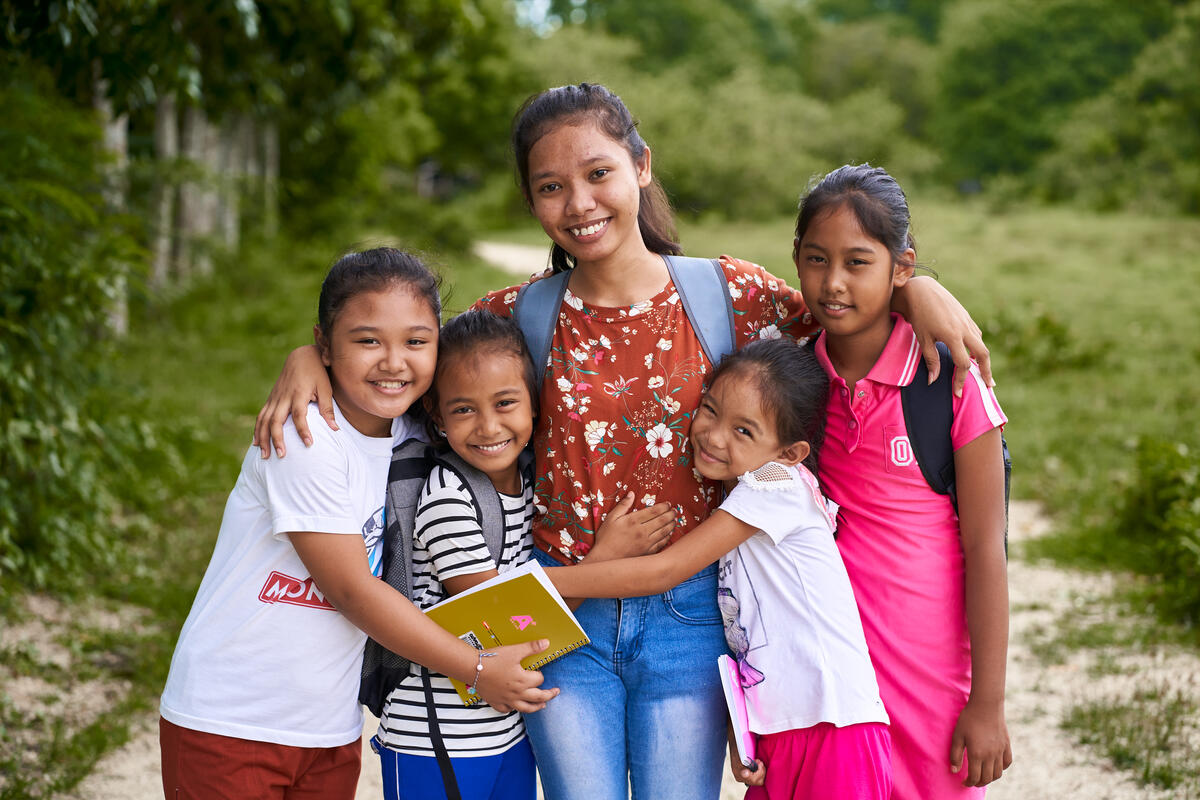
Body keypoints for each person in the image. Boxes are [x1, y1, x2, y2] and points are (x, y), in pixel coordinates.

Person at [252, 84, 992, 800]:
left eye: (598, 173)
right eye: (550, 187)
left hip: (690, 615)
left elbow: (844, 308)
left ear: (641, 166)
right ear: (531, 201)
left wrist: (914, 288)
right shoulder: (517, 314)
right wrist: (309, 358)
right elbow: (404, 366)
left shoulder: (729, 294)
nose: (578, 203)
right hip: (560, 618)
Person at [159, 249, 556, 800]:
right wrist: (476, 668)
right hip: (232, 716)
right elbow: (350, 588)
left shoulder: (411, 428)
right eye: (368, 341)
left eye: (416, 342)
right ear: (327, 343)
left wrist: (305, 358)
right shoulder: (305, 435)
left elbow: (481, 371)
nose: (394, 362)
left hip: (328, 726)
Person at [544, 337, 893, 799]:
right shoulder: (744, 498)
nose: (713, 435)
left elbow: (662, 571)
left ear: (790, 453)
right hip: (788, 726)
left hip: (833, 724)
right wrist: (743, 732)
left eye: (744, 431)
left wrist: (534, 582)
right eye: (710, 410)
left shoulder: (776, 483)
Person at [371, 308, 672, 800]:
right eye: (464, 409)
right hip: (436, 736)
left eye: (505, 402)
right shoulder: (448, 494)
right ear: (438, 416)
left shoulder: (533, 476)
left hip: (506, 733)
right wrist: (605, 561)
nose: (488, 426)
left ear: (535, 403)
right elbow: (499, 618)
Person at [793, 164, 1011, 797]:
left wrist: (988, 704)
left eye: (858, 262)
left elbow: (986, 551)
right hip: (826, 675)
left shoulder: (950, 386)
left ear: (901, 266)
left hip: (928, 678)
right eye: (815, 259)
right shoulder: (795, 383)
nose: (833, 283)